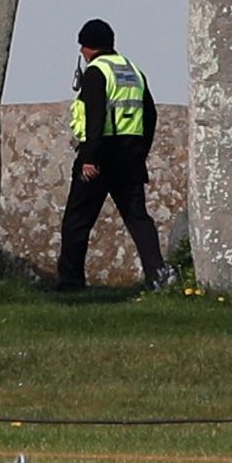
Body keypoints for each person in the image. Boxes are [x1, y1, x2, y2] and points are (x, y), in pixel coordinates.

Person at [57, 21, 165, 292]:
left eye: (82, 46)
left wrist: (89, 159)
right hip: (130, 157)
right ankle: (158, 277)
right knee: (138, 219)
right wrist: (141, 152)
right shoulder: (133, 70)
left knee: (77, 220)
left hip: (101, 155)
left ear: (87, 47)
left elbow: (96, 118)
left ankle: (70, 282)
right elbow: (150, 115)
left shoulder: (96, 72)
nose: (81, 52)